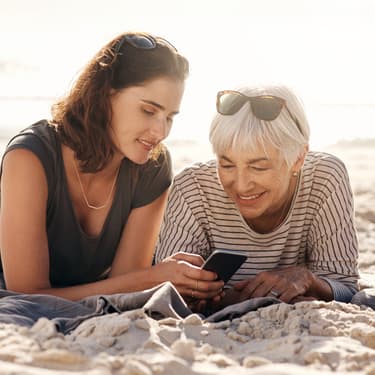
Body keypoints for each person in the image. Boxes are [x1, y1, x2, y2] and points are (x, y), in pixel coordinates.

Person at [0, 31, 223, 301]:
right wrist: (151, 277)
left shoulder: (152, 168)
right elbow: (26, 293)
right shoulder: (30, 158)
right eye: (149, 111)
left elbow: (122, 288)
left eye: (170, 117)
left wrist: (158, 278)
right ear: (105, 95)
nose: (160, 131)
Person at [155, 84, 359, 310]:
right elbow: (165, 294)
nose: (241, 185)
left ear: (299, 159)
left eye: (259, 167)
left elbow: (345, 287)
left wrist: (309, 280)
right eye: (227, 164)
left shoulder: (325, 178)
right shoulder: (193, 188)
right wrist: (218, 302)